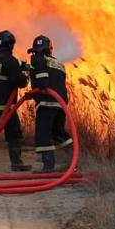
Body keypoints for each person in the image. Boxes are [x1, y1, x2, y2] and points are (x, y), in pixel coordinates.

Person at [0, 30, 32, 172]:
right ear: (10, 45)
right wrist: (26, 74)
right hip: (4, 107)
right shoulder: (9, 61)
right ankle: (16, 163)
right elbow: (20, 82)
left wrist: (21, 64)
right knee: (14, 133)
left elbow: (8, 63)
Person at [27, 35, 73, 173]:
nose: (34, 53)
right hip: (60, 103)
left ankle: (48, 167)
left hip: (47, 102)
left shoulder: (37, 59)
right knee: (58, 133)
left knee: (43, 134)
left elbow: (42, 81)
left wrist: (36, 91)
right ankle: (75, 157)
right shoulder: (59, 63)